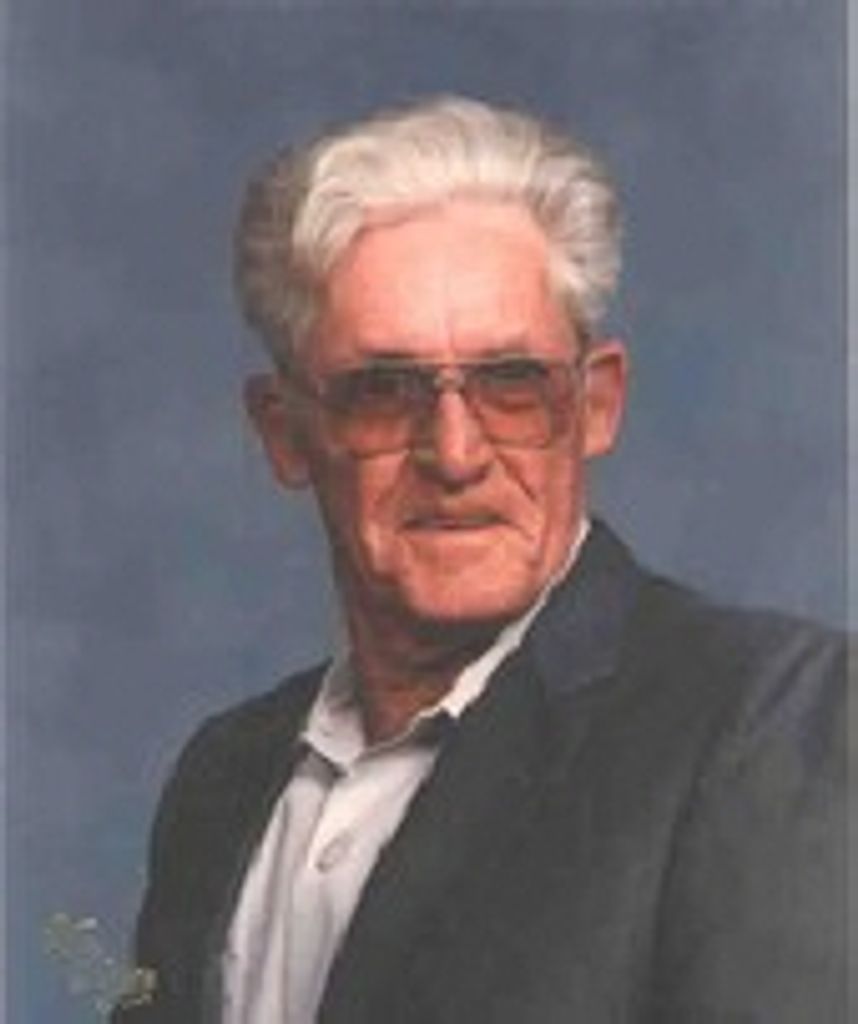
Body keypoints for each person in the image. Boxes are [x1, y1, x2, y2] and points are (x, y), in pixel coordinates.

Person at [112, 96, 847, 1023]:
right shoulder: (222, 777)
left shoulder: (774, 720)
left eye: (512, 384)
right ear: (284, 432)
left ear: (596, 405)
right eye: (384, 391)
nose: (456, 455)